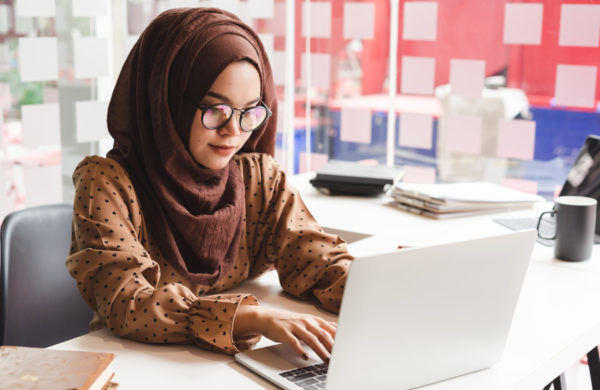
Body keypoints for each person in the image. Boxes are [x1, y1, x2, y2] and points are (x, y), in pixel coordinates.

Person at [65, 7, 352, 364]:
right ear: (166, 102)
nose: (235, 132)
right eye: (216, 110)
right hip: (134, 367)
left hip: (226, 368)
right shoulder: (107, 184)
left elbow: (319, 261)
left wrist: (381, 292)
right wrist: (251, 317)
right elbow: (128, 302)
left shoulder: (258, 179)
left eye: (251, 112)